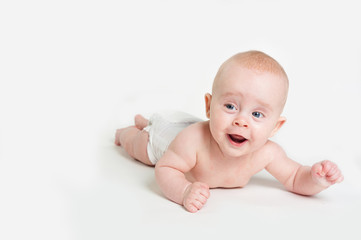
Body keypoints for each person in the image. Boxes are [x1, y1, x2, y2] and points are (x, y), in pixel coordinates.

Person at [115, 50, 344, 213]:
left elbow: (295, 178)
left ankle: (144, 121)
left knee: (157, 127)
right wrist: (184, 191)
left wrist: (317, 179)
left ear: (275, 127)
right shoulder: (192, 141)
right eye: (230, 106)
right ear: (209, 106)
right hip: (167, 142)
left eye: (257, 115)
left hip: (199, 132)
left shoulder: (268, 153)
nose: (241, 121)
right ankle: (128, 131)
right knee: (140, 145)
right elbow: (166, 167)